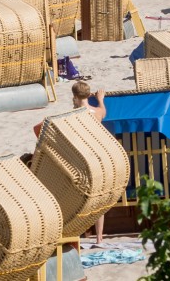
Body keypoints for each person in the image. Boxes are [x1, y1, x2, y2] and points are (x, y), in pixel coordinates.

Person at [71, 82, 107, 246]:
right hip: (98, 157)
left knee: (81, 199)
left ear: (76, 97)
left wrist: (75, 104)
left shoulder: (75, 114)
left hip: (83, 158)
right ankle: (99, 238)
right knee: (99, 199)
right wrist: (100, 99)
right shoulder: (97, 112)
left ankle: (80, 234)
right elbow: (103, 112)